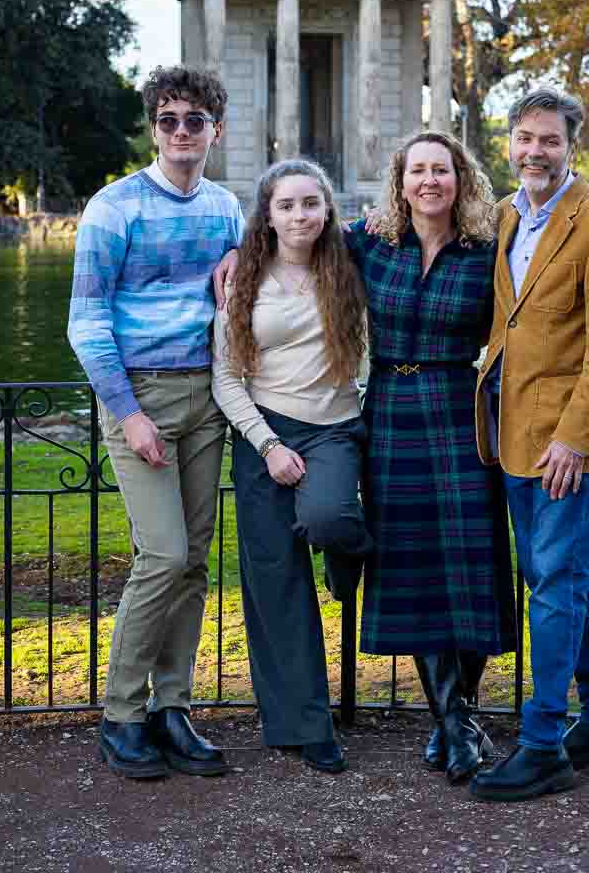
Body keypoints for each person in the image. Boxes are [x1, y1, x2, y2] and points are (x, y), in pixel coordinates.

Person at [469, 86, 589, 804]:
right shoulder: (508, 216)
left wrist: (576, 438)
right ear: (508, 143)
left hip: (565, 446)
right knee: (561, 578)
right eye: (523, 137)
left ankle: (543, 742)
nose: (534, 151)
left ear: (572, 146)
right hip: (511, 434)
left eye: (548, 139)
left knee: (551, 582)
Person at [68, 65, 245, 779]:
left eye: (194, 121)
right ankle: (120, 714)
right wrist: (128, 413)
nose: (181, 132)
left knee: (195, 562)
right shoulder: (115, 207)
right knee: (163, 555)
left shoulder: (227, 209)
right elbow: (86, 323)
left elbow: (242, 294)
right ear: (153, 128)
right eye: (168, 120)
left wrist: (239, 262)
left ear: (214, 131)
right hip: (138, 395)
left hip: (206, 394)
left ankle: (173, 708)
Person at [349, 133, 517, 785]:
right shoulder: (368, 242)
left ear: (459, 178)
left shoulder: (486, 251)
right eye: (417, 170)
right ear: (400, 180)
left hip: (460, 409)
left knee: (468, 565)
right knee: (414, 565)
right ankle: (455, 723)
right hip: (390, 410)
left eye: (440, 170)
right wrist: (234, 260)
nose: (429, 181)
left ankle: (455, 718)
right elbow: (291, 241)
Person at [212, 159, 372, 775]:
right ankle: (302, 723)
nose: (300, 215)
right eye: (286, 205)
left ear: (327, 209)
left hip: (332, 427)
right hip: (265, 434)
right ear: (268, 215)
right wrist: (266, 445)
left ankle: (349, 554)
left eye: (311, 203)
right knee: (274, 581)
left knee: (331, 518)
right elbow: (225, 376)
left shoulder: (349, 267)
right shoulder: (245, 279)